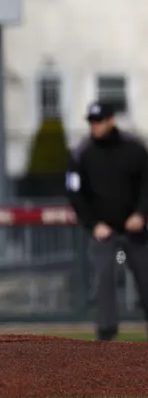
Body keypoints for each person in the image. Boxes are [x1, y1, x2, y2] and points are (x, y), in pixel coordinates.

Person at [65, 101, 148, 341]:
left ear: (111, 120)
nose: (95, 126)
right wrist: (93, 224)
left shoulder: (134, 148)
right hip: (104, 232)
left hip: (135, 231)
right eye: (92, 121)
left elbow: (147, 185)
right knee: (104, 280)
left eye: (99, 121)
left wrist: (141, 214)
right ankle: (106, 336)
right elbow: (74, 193)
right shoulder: (82, 152)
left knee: (145, 280)